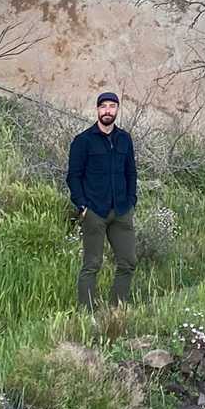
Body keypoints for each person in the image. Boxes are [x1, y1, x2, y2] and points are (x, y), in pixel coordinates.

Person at [67, 90, 138, 309]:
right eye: (104, 106)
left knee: (128, 262)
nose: (108, 110)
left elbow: (131, 173)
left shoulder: (124, 139)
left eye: (112, 106)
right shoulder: (83, 141)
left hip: (121, 211)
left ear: (117, 109)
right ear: (97, 110)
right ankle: (86, 314)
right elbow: (73, 176)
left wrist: (131, 201)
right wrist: (83, 206)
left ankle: (116, 310)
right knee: (92, 264)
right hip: (95, 212)